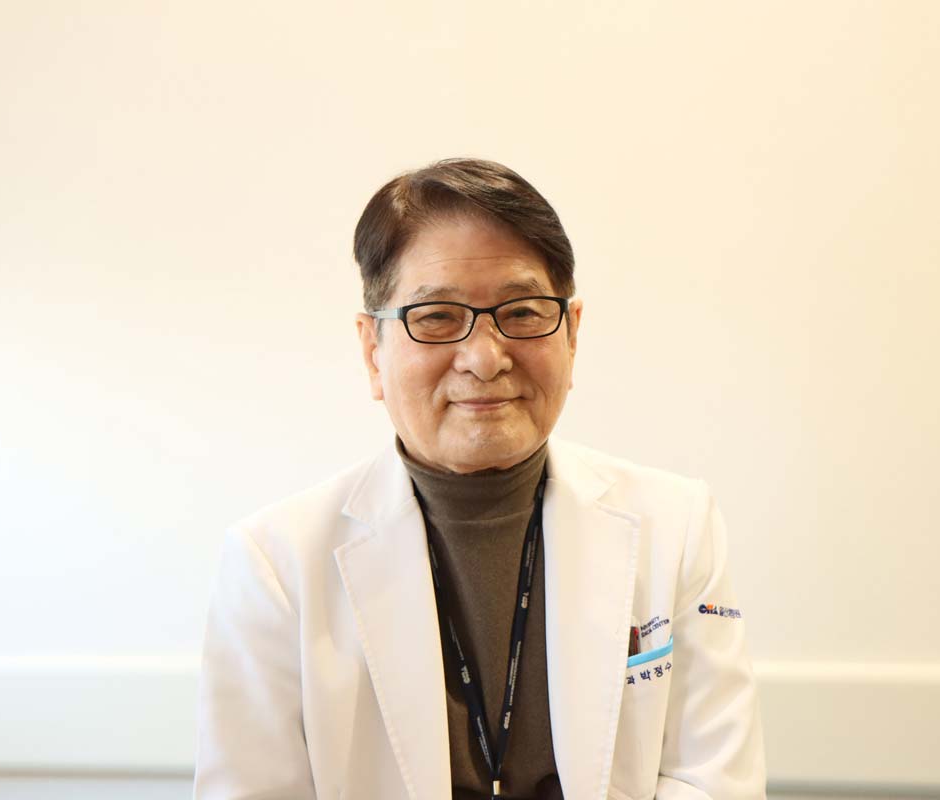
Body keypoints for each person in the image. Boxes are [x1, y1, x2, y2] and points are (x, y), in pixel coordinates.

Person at [193, 158, 766, 800]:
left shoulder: (678, 526)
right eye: (437, 316)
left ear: (572, 335)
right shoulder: (275, 564)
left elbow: (713, 782)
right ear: (372, 351)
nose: (485, 358)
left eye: (522, 313)